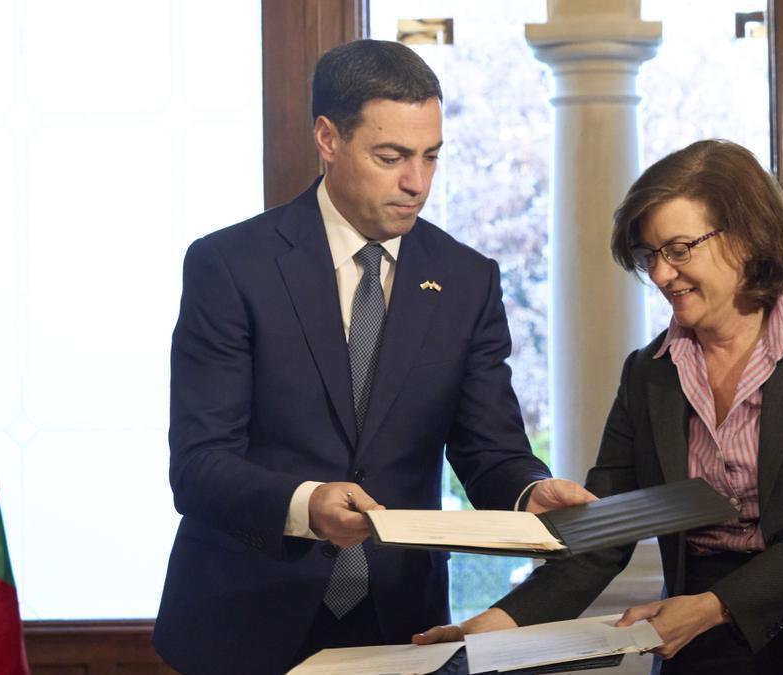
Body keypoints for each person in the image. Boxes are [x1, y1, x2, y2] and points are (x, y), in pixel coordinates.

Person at [152, 39, 593, 675]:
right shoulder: (230, 266)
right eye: (391, 157)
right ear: (328, 138)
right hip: (243, 622)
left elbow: (488, 447)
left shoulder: (467, 280)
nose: (416, 182)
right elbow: (197, 466)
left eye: (430, 157)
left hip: (399, 621)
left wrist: (528, 491)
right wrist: (307, 503)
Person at [416, 140, 783, 674]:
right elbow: (603, 532)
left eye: (679, 249)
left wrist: (713, 608)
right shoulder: (649, 373)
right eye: (649, 256)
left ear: (749, 236)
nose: (660, 274)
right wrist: (498, 625)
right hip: (701, 639)